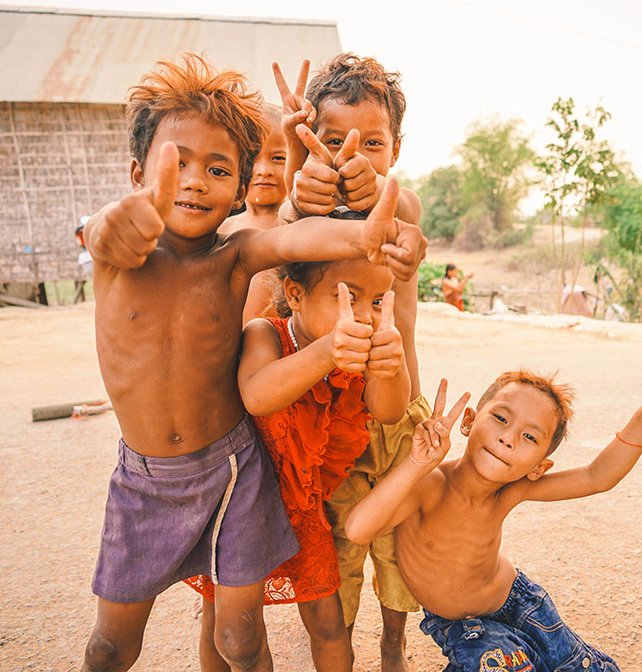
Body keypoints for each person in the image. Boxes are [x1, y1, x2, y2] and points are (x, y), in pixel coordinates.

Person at [80, 53, 426, 672]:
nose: (192, 181)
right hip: (144, 481)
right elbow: (104, 232)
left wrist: (376, 232)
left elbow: (296, 239)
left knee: (239, 637)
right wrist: (117, 222)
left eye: (216, 169)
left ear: (239, 191)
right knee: (110, 646)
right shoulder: (118, 254)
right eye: (175, 164)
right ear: (138, 172)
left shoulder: (235, 255)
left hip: (234, 470)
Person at [345, 370, 642, 671]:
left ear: (538, 467)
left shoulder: (510, 490)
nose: (508, 438)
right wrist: (416, 465)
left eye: (529, 437)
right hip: (462, 625)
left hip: (521, 602)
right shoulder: (429, 485)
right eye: (500, 418)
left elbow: (596, 476)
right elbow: (358, 529)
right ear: (468, 421)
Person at [274, 54, 428, 671]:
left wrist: (385, 200)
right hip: (332, 423)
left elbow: (408, 218)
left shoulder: (402, 205)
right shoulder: (306, 210)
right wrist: (294, 182)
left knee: (396, 545)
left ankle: (394, 641)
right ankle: (343, 647)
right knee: (338, 550)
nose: (351, 154)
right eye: (333, 139)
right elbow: (281, 231)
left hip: (395, 416)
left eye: (373, 141)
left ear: (396, 147)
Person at [188, 247, 409, 672]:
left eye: (377, 301)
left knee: (328, 621)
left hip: (303, 510)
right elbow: (257, 395)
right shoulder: (266, 334)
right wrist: (328, 351)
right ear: (295, 293)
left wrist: (389, 367)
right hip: (241, 507)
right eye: (347, 296)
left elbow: (388, 411)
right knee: (232, 628)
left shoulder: (360, 351)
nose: (363, 315)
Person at [219, 103, 287, 324]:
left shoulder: (296, 226)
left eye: (278, 158)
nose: (264, 169)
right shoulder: (222, 228)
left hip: (277, 352)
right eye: (253, 159)